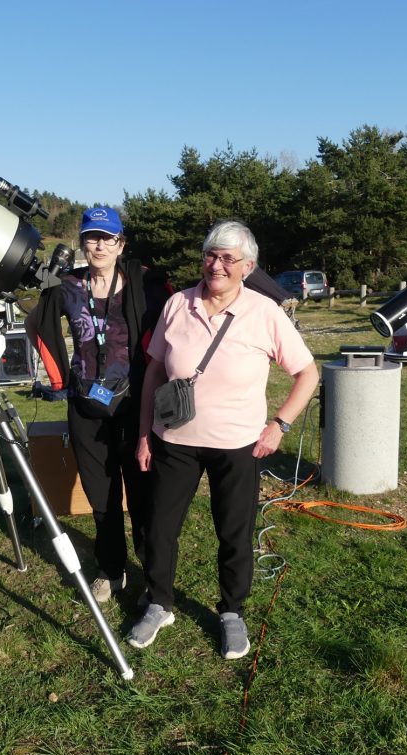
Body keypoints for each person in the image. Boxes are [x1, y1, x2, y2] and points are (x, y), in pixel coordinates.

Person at [127, 220, 319, 660]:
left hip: (239, 444)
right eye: (211, 255)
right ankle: (159, 602)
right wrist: (144, 434)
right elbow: (155, 372)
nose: (216, 265)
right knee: (159, 528)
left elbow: (306, 374)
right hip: (174, 439)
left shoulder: (265, 313)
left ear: (247, 267)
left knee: (233, 532)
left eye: (228, 258)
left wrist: (280, 425)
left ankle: (232, 612)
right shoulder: (178, 304)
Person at [25, 207, 170, 602]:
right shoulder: (66, 287)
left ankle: (151, 575)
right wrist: (59, 377)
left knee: (142, 495)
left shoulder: (145, 284)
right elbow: (35, 324)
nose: (100, 245)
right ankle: (111, 569)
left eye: (108, 238)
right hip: (86, 408)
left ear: (121, 244)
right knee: (101, 496)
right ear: (83, 243)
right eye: (92, 237)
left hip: (135, 408)